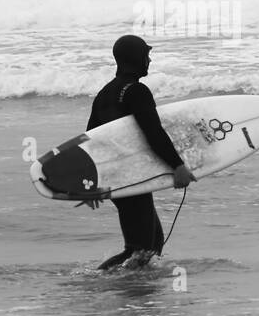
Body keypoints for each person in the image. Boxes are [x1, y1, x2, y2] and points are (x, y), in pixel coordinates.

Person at [84, 35, 196, 269]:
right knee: (141, 248)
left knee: (152, 243)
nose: (150, 60)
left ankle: (134, 291)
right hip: (128, 175)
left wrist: (90, 181)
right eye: (146, 55)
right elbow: (153, 132)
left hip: (116, 173)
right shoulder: (137, 91)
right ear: (137, 58)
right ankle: (98, 280)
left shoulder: (106, 92)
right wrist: (177, 166)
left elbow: (90, 138)